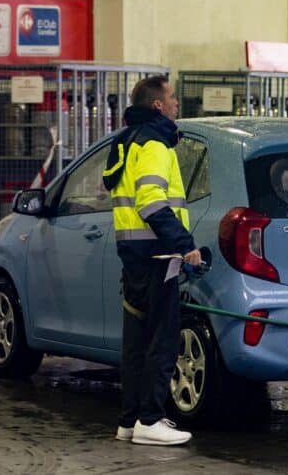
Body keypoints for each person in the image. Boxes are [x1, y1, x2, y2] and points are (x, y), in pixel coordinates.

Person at [102, 75, 207, 446]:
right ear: (158, 105)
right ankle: (151, 419)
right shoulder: (155, 144)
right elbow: (151, 201)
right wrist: (185, 244)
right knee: (161, 341)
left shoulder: (127, 143)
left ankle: (129, 421)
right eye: (173, 97)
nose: (177, 103)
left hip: (134, 258)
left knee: (135, 344)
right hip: (159, 256)